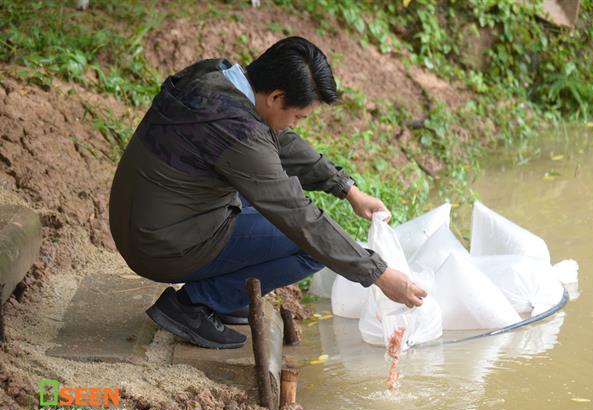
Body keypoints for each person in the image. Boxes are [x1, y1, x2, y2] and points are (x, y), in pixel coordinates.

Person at [109, 36, 427, 349]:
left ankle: (224, 294)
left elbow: (276, 141)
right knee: (308, 247)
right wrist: (379, 274)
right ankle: (192, 304)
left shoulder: (217, 78)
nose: (295, 124)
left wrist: (346, 188)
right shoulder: (237, 129)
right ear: (275, 97)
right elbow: (299, 217)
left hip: (144, 221)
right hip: (162, 245)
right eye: (298, 116)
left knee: (271, 195)